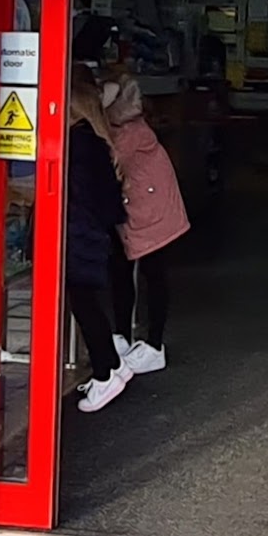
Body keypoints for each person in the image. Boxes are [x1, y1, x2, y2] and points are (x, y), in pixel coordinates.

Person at [102, 71, 190, 375]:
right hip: (135, 212)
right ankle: (124, 336)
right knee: (123, 270)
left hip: (152, 214)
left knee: (153, 274)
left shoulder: (129, 133)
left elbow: (108, 166)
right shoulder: (126, 127)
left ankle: (154, 345)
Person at [64, 66, 129, 412]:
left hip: (80, 234)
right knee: (87, 305)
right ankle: (113, 367)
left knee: (85, 307)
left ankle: (106, 373)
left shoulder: (76, 145)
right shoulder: (95, 140)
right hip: (94, 234)